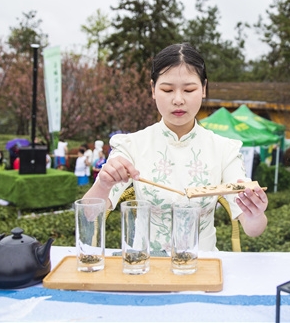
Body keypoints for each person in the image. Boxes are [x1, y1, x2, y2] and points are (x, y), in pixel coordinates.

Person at [83, 43, 268, 252]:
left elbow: (252, 228)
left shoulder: (224, 149)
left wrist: (255, 213)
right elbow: (90, 215)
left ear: (204, 89)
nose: (178, 100)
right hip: (146, 264)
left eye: (189, 90)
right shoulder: (131, 145)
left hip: (202, 265)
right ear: (153, 90)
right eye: (167, 90)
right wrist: (104, 184)